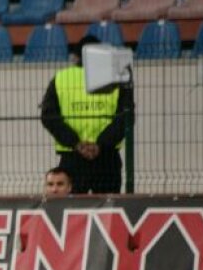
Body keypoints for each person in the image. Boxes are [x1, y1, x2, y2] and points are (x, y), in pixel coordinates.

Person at [40, 36, 134, 194]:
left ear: (76, 56)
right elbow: (126, 117)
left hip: (72, 155)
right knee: (108, 208)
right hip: (107, 156)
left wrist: (76, 143)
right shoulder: (117, 79)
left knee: (73, 211)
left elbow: (49, 117)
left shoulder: (61, 78)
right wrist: (101, 145)